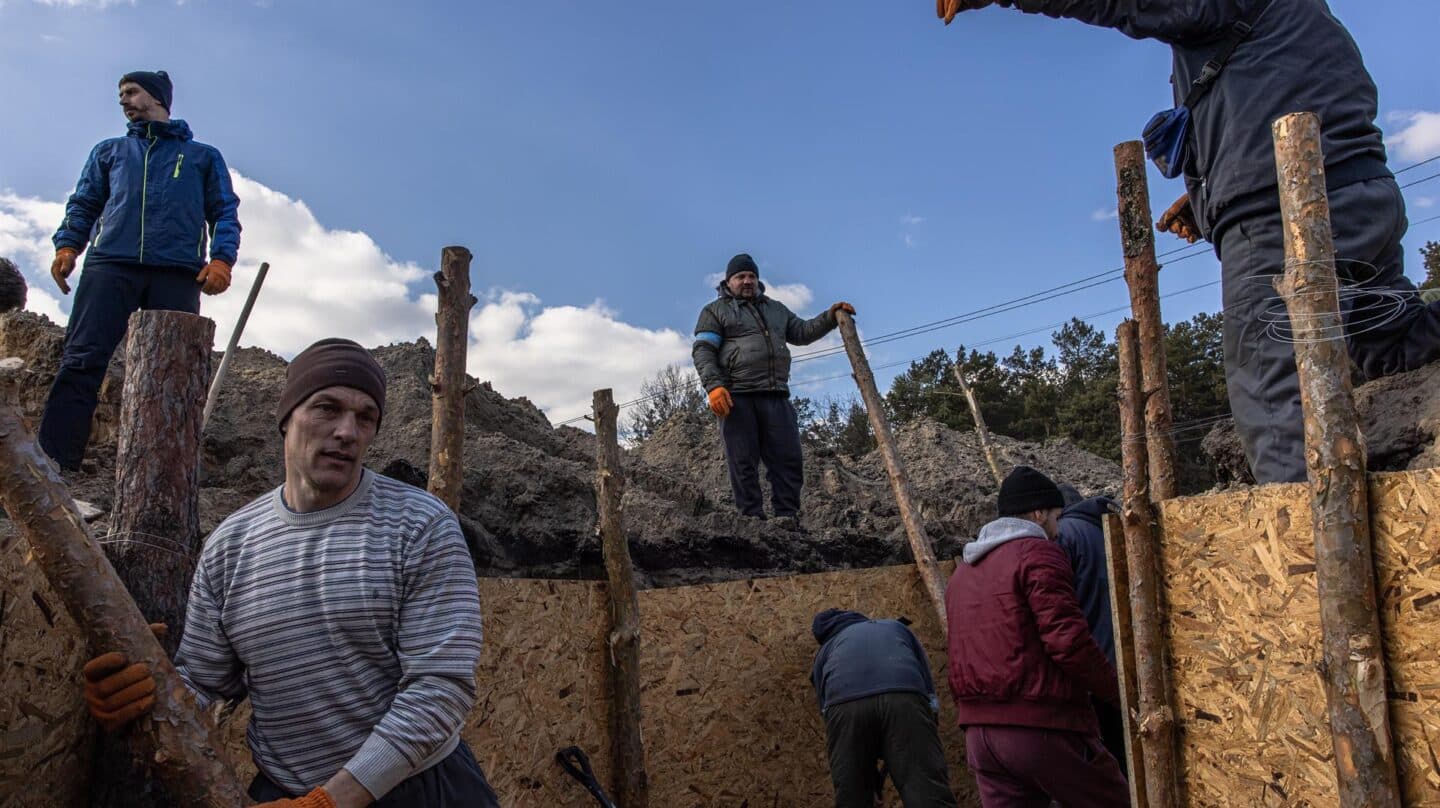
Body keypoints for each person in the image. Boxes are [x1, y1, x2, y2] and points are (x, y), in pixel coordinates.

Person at [935, 0, 1440, 484]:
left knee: (1275, 405)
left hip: (1281, 222)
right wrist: (1210, 202)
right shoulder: (1296, 16)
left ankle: (1313, 565)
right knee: (1398, 344)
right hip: (1358, 198)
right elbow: (1270, 95)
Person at [78, 339, 498, 807]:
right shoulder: (230, 545)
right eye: (327, 408)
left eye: (365, 418)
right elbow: (202, 679)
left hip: (422, 791)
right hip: (287, 790)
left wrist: (331, 801)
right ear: (286, 418)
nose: (347, 432)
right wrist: (143, 697)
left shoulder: (419, 526)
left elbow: (440, 689)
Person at [40, 70, 241, 470]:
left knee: (174, 375)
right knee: (81, 361)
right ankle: (54, 464)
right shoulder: (109, 151)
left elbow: (224, 211)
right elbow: (84, 203)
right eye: (121, 94)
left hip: (177, 272)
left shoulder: (202, 156)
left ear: (156, 97)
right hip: (110, 265)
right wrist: (68, 245)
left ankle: (161, 473)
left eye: (130, 92)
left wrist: (222, 259)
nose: (123, 100)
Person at [946, 466, 1127, 807]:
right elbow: (1067, 641)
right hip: (1040, 727)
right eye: (1057, 517)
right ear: (1039, 513)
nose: (1058, 530)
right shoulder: (1038, 553)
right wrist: (1118, 692)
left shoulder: (963, 573)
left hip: (979, 737)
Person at [692, 253, 854, 524]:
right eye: (740, 276)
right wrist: (714, 387)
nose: (747, 281)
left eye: (752, 276)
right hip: (736, 397)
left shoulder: (776, 309)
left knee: (788, 460)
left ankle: (787, 518)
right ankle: (752, 521)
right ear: (728, 282)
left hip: (776, 395)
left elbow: (802, 332)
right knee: (743, 462)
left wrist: (830, 316)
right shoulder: (714, 311)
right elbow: (703, 351)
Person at [811, 608, 958, 808]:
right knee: (926, 791)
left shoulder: (826, 651)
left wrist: (865, 776)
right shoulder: (894, 627)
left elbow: (827, 710)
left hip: (845, 705)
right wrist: (928, 722)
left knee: (852, 795)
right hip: (905, 695)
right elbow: (925, 677)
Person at [1056, 484, 1125, 774]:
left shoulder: (1062, 536)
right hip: (1123, 656)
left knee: (1102, 760)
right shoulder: (1106, 528)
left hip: (1092, 664)